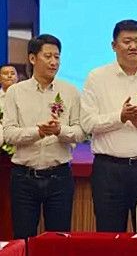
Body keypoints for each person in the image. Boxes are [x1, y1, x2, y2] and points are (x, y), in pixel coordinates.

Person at [81, 19, 137, 232]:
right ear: (114, 45)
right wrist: (119, 117)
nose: (133, 46)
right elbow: (88, 123)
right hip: (108, 171)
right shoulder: (96, 78)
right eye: (127, 41)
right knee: (110, 235)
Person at [3, 34, 85, 239]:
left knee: (58, 239)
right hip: (24, 178)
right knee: (23, 239)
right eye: (48, 56)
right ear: (32, 58)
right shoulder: (15, 92)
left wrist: (59, 131)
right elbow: (9, 134)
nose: (53, 62)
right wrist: (38, 132)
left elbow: (80, 133)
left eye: (57, 57)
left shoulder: (71, 92)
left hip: (59, 177)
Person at [0, 64, 19, 155]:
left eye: (12, 73)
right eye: (5, 73)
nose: (9, 76)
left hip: (18, 144)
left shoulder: (25, 97)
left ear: (17, 78)